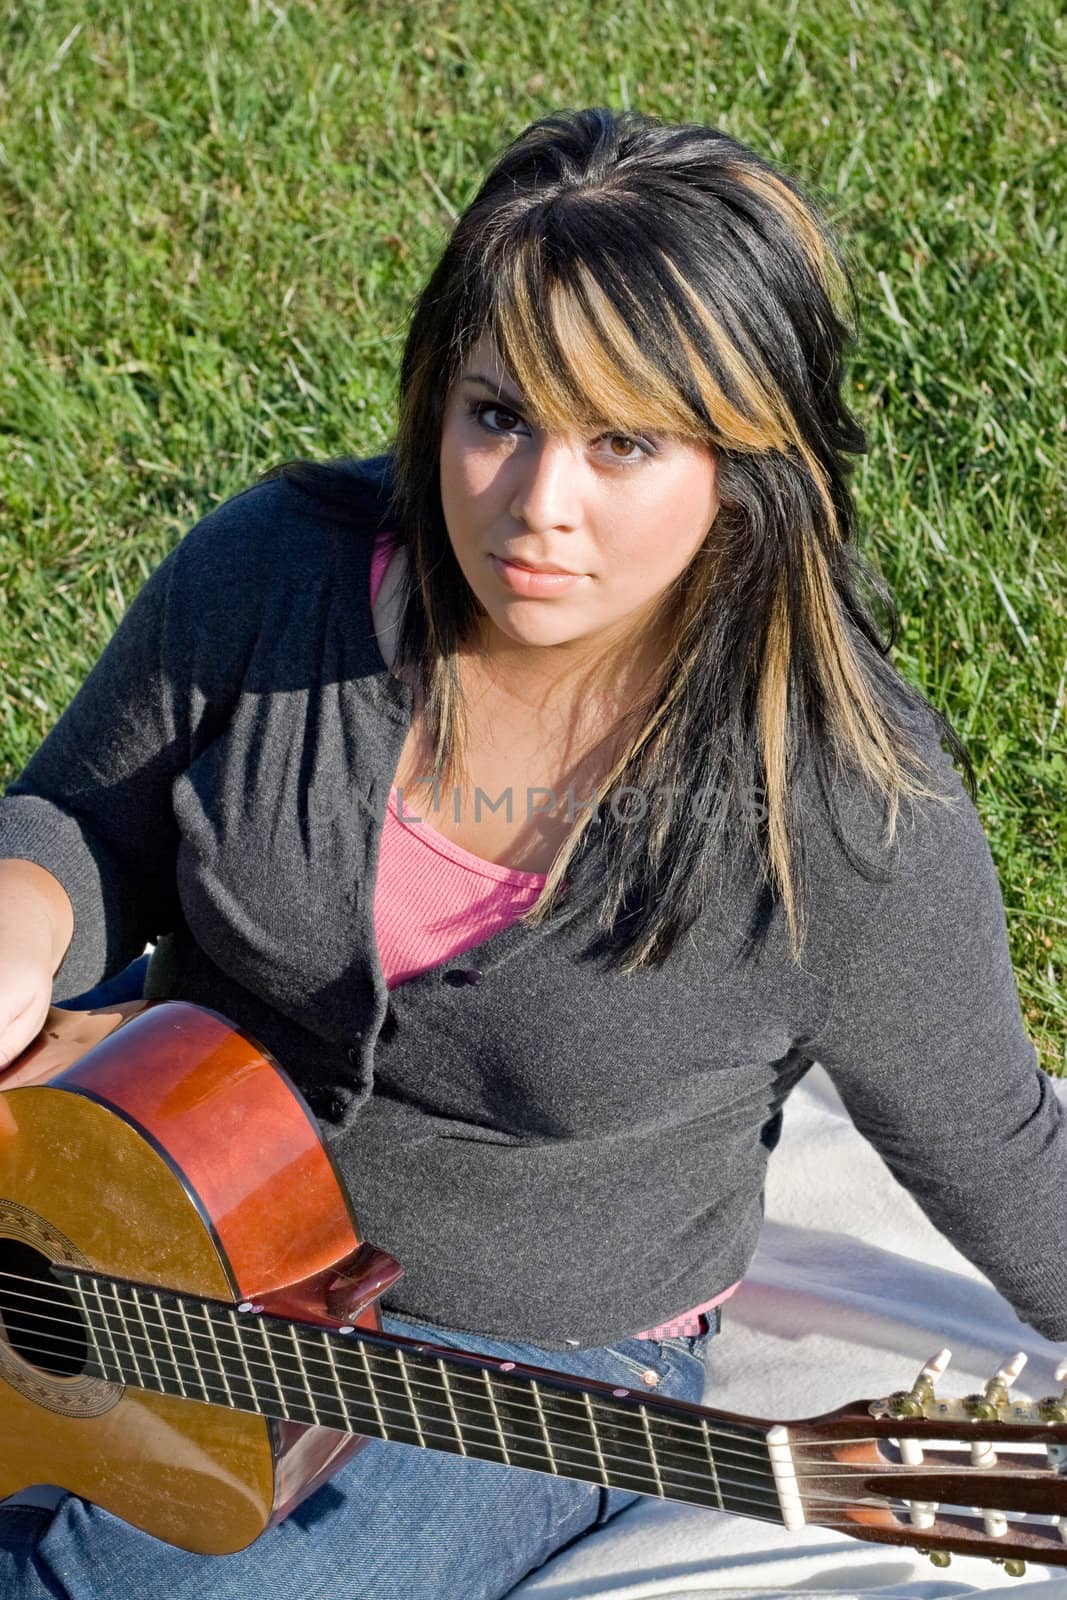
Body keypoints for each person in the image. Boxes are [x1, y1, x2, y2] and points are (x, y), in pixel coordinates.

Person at [0, 104, 1062, 1599]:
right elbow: (86, 818)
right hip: (142, 1211)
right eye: (498, 416)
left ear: (745, 465)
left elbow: (1003, 1146)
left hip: (515, 1362)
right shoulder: (278, 574)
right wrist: (25, 916)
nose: (535, 507)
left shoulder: (844, 811)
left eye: (624, 442)